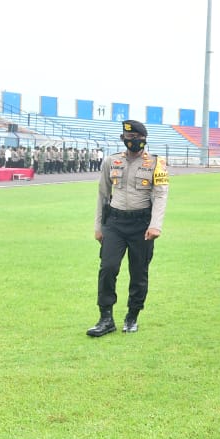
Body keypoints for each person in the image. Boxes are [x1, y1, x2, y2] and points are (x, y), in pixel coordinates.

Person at [89, 120, 169, 337]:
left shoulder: (156, 163)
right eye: (127, 138)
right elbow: (103, 195)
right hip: (114, 223)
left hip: (141, 225)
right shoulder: (111, 161)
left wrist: (155, 225)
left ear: (143, 139)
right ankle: (105, 318)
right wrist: (99, 227)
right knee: (108, 268)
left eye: (135, 138)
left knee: (138, 272)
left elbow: (161, 195)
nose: (131, 142)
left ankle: (132, 315)